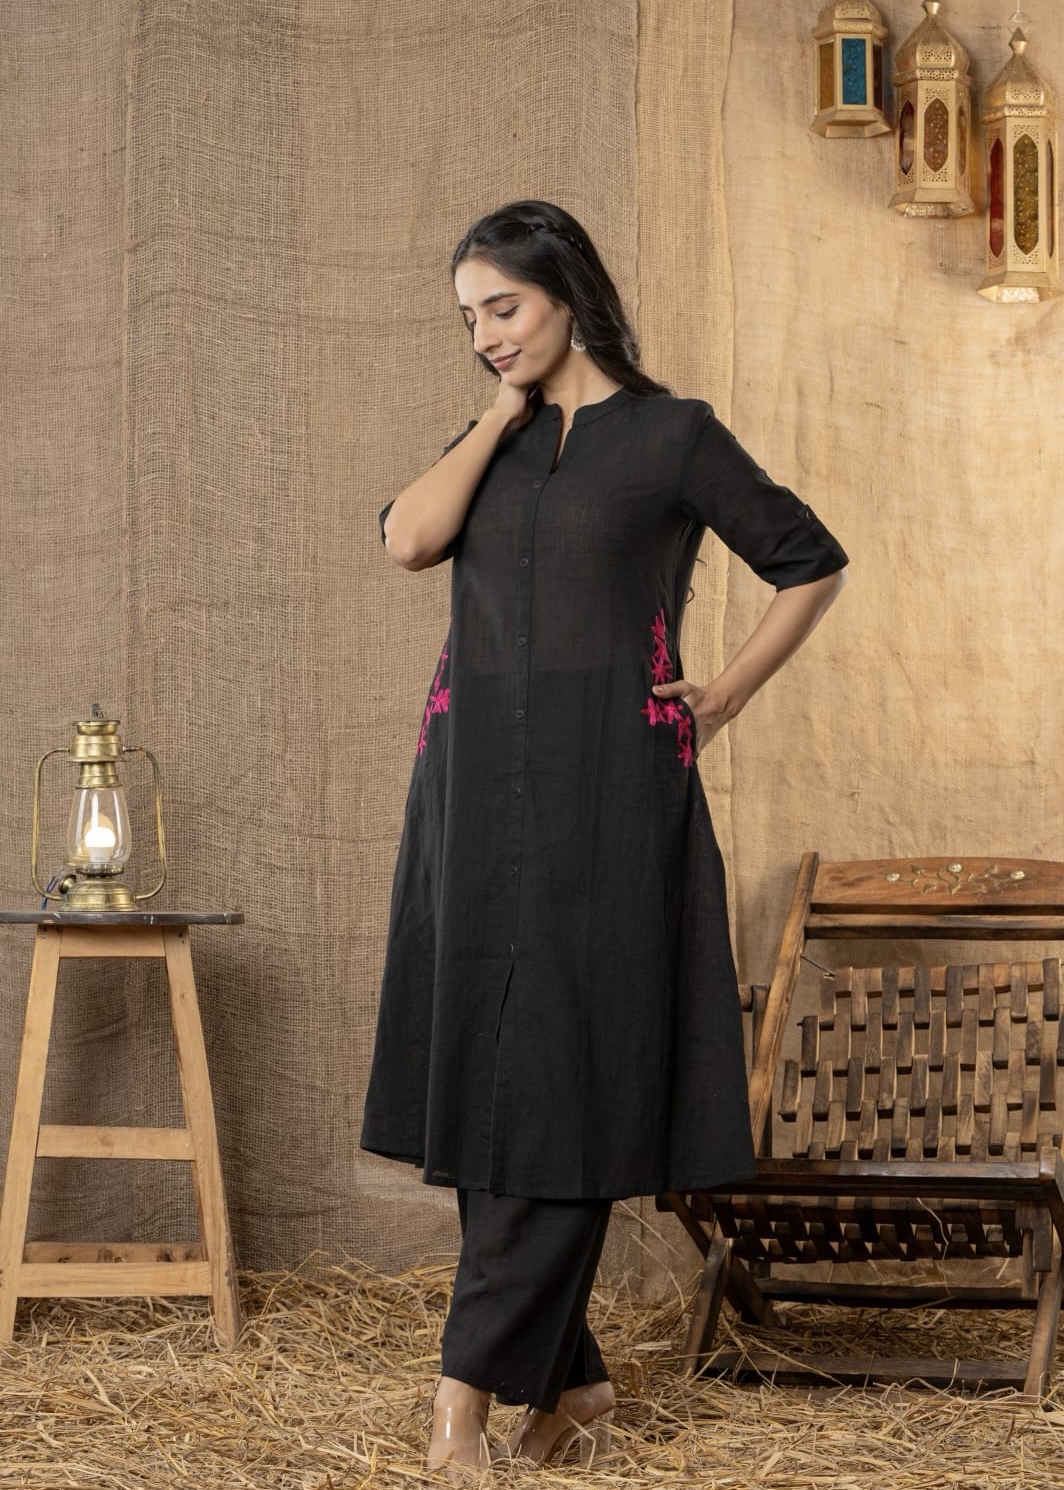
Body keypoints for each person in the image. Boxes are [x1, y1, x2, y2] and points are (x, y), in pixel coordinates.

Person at [361, 200, 848, 1480]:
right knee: (495, 1075)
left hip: (610, 797)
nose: (486, 333)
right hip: (471, 795)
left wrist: (724, 690)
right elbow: (408, 541)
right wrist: (495, 415)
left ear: (567, 294)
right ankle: (572, 1383)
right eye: (468, 317)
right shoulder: (491, 441)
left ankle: (461, 1399)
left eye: (504, 307)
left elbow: (807, 561)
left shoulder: (672, 436)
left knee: (565, 1073)